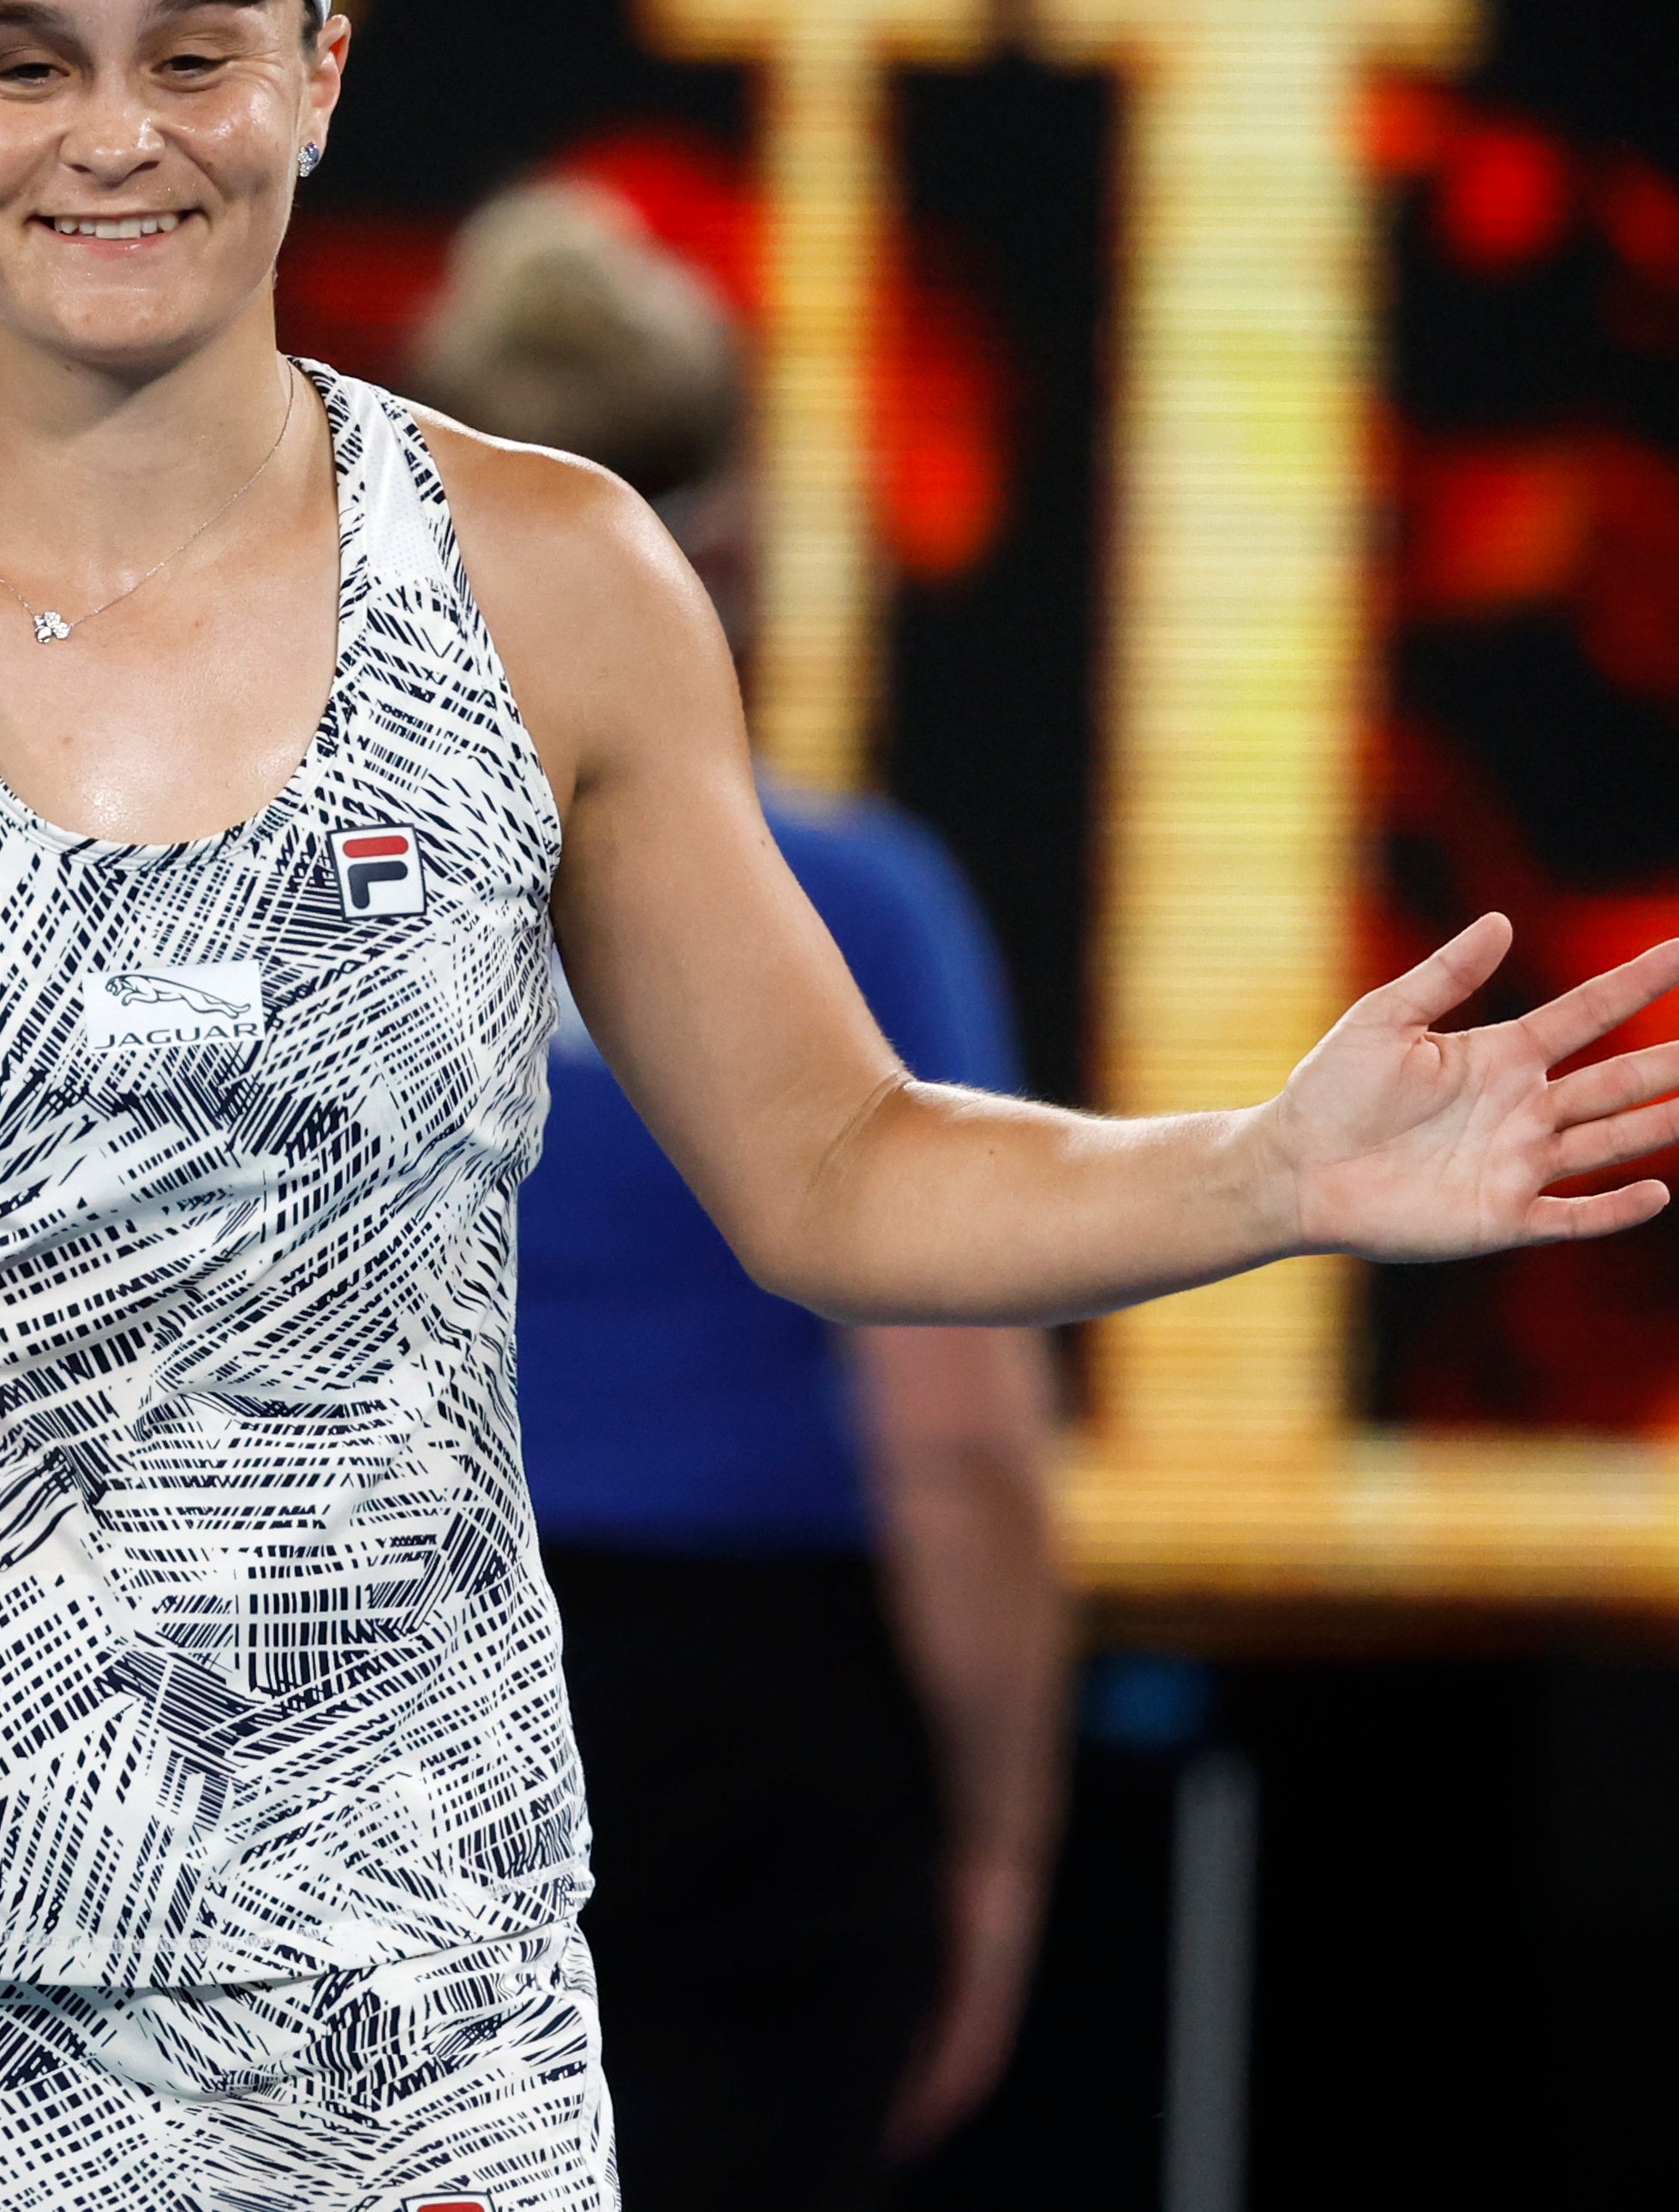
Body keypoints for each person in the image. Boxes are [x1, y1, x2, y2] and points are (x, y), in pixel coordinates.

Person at [0, 0, 1679, 2211]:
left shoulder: (553, 584)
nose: (116, 133)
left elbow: (834, 1166)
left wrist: (1265, 1168)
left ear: (317, 77)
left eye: (194, 49)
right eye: (21, 58)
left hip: (394, 1994)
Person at [415, 181, 1066, 2209]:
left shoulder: (236, 882)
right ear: (735, 551)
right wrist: (1000, 1847)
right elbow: (956, 1449)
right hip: (745, 1749)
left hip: (349, 1696)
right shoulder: (849, 907)